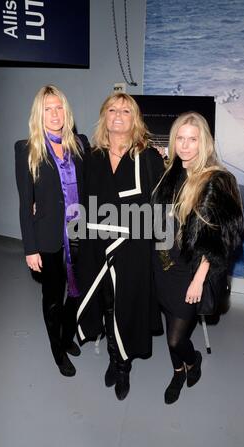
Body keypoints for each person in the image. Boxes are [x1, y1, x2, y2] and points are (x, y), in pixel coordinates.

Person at [152, 111, 244, 404]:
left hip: (191, 271)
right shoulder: (173, 172)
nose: (185, 145)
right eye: (180, 138)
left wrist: (198, 280)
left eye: (192, 139)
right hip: (164, 262)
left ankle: (191, 362)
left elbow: (220, 240)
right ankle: (178, 370)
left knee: (176, 339)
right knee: (169, 324)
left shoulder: (217, 181)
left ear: (204, 142)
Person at [76, 92, 165, 400]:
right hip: (96, 244)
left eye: (126, 111)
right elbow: (82, 200)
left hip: (133, 247)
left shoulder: (149, 157)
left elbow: (160, 206)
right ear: (104, 116)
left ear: (134, 119)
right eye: (112, 109)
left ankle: (122, 364)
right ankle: (115, 356)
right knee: (105, 302)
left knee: (125, 304)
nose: (118, 115)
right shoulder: (92, 155)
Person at [15, 85, 90, 377]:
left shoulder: (79, 144)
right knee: (52, 297)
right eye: (48, 108)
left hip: (78, 233)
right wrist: (29, 248)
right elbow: (25, 204)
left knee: (76, 293)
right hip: (46, 237)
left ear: (66, 111)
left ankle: (67, 337)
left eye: (59, 107)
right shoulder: (26, 150)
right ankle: (57, 352)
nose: (55, 114)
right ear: (39, 113)